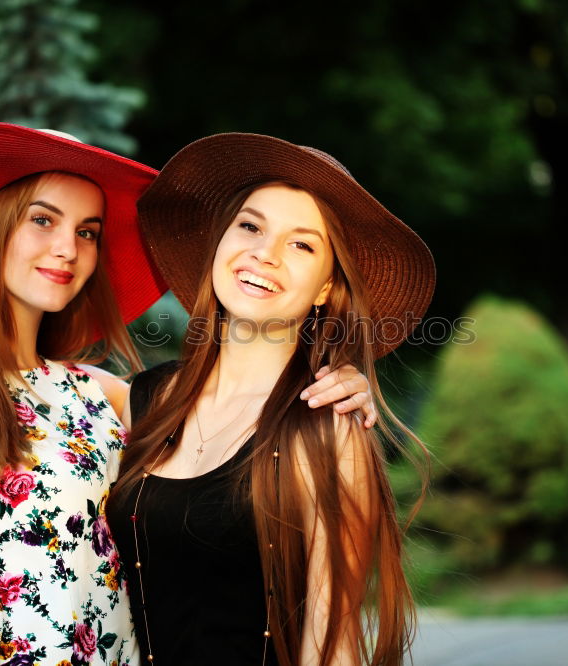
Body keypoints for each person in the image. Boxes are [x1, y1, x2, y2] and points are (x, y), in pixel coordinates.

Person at [0, 123, 375, 666]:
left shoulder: (113, 399)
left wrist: (343, 382)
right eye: (43, 220)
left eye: (88, 232)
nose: (66, 248)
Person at [116, 134, 433, 664]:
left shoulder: (327, 428)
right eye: (250, 226)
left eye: (301, 244)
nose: (264, 253)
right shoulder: (139, 401)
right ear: (220, 241)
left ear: (327, 287)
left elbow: (332, 646)